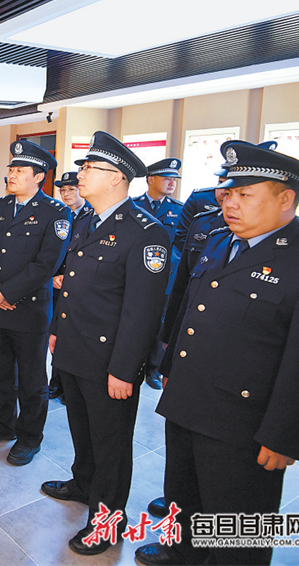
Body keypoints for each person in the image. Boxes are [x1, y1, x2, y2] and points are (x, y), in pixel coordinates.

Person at [135, 141, 299, 566]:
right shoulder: (220, 241)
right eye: (229, 193)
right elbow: (190, 310)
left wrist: (285, 435)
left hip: (243, 423)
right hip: (188, 400)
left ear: (285, 200)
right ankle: (183, 551)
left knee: (239, 527)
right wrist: (169, 366)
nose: (230, 204)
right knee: (184, 492)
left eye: (245, 195)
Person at [41, 131, 170, 556]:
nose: (80, 174)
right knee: (82, 429)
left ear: (116, 178)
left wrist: (125, 369)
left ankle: (108, 519)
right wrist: (57, 329)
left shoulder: (146, 233)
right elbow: (73, 286)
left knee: (110, 443)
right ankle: (83, 483)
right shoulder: (87, 220)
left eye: (89, 168)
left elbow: (142, 312)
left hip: (109, 361)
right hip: (74, 349)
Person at [0, 140, 71, 466]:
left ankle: (30, 437)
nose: (11, 175)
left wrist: (6, 293)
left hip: (29, 309)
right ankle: (4, 424)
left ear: (39, 176)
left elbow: (46, 264)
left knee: (31, 379)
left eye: (19, 170)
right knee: (1, 371)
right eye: (11, 169)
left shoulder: (56, 213)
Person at [132, 158, 183, 389]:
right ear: (151, 179)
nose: (172, 182)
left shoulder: (179, 210)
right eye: (166, 178)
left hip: (166, 278)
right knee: (135, 320)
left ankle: (153, 369)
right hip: (136, 277)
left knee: (160, 323)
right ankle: (134, 363)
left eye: (174, 179)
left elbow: (181, 245)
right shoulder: (134, 206)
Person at [49, 171, 92, 402]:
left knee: (73, 337)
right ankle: (55, 381)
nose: (66, 194)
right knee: (56, 333)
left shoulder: (91, 215)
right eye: (63, 190)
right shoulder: (57, 213)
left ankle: (69, 386)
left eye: (71, 189)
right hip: (56, 284)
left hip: (78, 285)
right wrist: (53, 276)